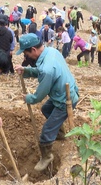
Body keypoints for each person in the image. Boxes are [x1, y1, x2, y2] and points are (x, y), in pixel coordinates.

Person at [15, 33, 79, 172]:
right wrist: (26, 70)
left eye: (26, 54)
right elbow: (40, 71)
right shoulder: (51, 51)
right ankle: (60, 134)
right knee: (46, 109)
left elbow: (39, 95)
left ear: (33, 49)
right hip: (64, 93)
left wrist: (29, 98)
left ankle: (47, 156)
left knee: (46, 133)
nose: (27, 57)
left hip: (65, 101)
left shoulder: (47, 70)